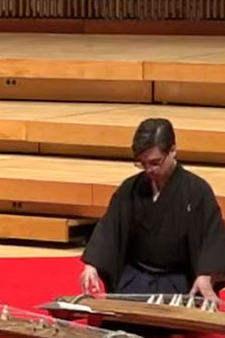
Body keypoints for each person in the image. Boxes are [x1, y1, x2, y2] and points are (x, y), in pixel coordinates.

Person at [79, 118, 225, 301]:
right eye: (143, 163)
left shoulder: (196, 191)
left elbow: (212, 236)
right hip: (136, 277)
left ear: (173, 150)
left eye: (155, 162)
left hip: (177, 280)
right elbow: (111, 227)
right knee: (119, 318)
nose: (149, 170)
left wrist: (205, 275)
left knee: (166, 321)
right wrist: (92, 265)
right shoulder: (131, 188)